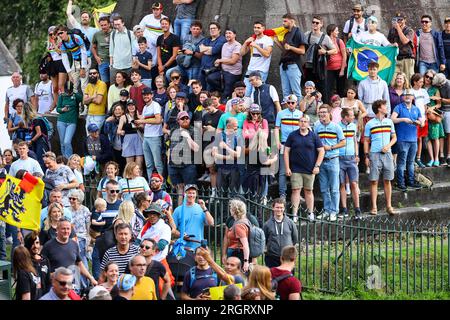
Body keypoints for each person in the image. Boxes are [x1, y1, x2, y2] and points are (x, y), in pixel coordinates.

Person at [284, 114, 325, 222]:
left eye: (305, 121)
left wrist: (317, 165)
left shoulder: (313, 136)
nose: (303, 123)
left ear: (308, 123)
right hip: (295, 168)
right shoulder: (292, 135)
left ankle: (310, 213)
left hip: (310, 169)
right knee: (295, 190)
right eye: (301, 121)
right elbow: (286, 151)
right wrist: (287, 167)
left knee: (309, 191)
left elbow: (321, 150)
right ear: (298, 123)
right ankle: (295, 214)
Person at [364, 100, 399, 215]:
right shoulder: (369, 124)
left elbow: (394, 137)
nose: (386, 107)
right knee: (374, 181)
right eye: (384, 106)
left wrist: (388, 146)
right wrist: (366, 156)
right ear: (379, 108)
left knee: (387, 180)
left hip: (387, 154)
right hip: (374, 154)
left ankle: (389, 206)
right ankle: (374, 207)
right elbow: (366, 141)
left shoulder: (389, 122)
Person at [41, 218, 97, 287]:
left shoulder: (74, 244)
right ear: (57, 230)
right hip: (55, 286)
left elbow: (79, 264)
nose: (66, 231)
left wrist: (91, 278)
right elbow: (42, 268)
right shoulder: (48, 246)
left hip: (71, 285)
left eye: (68, 229)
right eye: (63, 229)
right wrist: (53, 275)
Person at [314, 104, 345, 221]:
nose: (322, 114)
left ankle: (334, 211)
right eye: (320, 112)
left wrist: (331, 147)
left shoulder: (336, 127)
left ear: (329, 114)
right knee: (323, 188)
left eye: (324, 112)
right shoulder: (317, 127)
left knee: (334, 188)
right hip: (321, 161)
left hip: (333, 159)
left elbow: (343, 142)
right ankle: (327, 210)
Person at [391, 89, 424, 191]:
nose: (407, 96)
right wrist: (403, 119)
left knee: (410, 162)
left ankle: (410, 181)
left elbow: (422, 123)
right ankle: (401, 183)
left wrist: (418, 123)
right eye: (405, 95)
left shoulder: (416, 108)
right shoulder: (398, 107)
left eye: (410, 95)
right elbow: (392, 119)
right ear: (403, 97)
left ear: (413, 97)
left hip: (413, 139)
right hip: (402, 139)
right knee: (401, 162)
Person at [274, 13, 306, 102]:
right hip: (284, 65)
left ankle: (300, 113)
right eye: (283, 21)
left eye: (285, 21)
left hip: (293, 65)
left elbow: (303, 51)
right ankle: (286, 114)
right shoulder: (287, 34)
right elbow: (285, 50)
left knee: (296, 92)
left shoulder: (298, 33)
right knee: (285, 92)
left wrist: (291, 47)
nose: (283, 23)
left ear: (292, 21)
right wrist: (277, 42)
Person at [168, 111, 200, 200]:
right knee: (179, 190)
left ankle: (192, 211)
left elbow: (197, 149)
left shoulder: (194, 130)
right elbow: (170, 147)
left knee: (190, 190)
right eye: (182, 118)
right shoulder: (174, 130)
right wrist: (168, 163)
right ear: (178, 120)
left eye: (187, 118)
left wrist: (187, 137)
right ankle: (180, 211)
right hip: (173, 165)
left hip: (188, 165)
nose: (185, 120)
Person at [275, 94, 302, 198]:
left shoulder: (300, 114)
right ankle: (282, 193)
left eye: (293, 103)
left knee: (296, 169)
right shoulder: (281, 113)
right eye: (288, 103)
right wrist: (277, 142)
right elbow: (277, 128)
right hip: (284, 142)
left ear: (296, 103)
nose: (290, 104)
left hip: (297, 144)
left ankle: (297, 193)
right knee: (282, 170)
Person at [172, 184, 214, 251]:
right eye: (189, 193)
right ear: (184, 194)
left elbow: (211, 223)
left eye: (193, 193)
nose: (191, 195)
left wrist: (204, 208)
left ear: (196, 194)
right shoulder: (178, 210)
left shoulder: (201, 208)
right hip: (183, 247)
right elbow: (172, 229)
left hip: (198, 247)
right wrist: (181, 235)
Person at [304, 16, 337, 95]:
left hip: (320, 67)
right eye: (313, 22)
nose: (315, 24)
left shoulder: (325, 37)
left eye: (317, 23)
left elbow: (335, 50)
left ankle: (323, 105)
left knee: (322, 88)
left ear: (321, 24)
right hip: (308, 66)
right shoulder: (307, 34)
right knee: (309, 88)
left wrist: (325, 52)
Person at [135, 87, 164, 177]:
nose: (146, 96)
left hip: (155, 137)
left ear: (152, 95)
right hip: (146, 136)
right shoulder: (145, 107)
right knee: (148, 164)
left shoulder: (155, 105)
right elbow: (144, 124)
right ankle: (151, 183)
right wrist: (137, 124)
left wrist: (142, 121)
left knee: (158, 163)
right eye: (144, 95)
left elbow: (158, 120)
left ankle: (161, 184)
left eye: (147, 94)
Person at [338, 108, 362, 219]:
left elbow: (354, 141)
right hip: (340, 158)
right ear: (345, 117)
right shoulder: (337, 126)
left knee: (354, 183)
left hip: (352, 157)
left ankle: (357, 209)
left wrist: (357, 155)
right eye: (351, 115)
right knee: (342, 184)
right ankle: (344, 209)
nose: (353, 117)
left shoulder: (353, 126)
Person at [241, 21, 273, 97]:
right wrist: (246, 43)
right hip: (250, 69)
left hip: (261, 70)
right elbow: (242, 53)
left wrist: (256, 46)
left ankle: (256, 108)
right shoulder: (253, 39)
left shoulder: (267, 39)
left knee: (256, 93)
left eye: (258, 27)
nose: (256, 29)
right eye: (255, 27)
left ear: (263, 28)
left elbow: (267, 54)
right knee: (246, 93)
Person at [263, 198, 298, 268]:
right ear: (273, 208)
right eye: (277, 207)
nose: (279, 210)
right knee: (273, 278)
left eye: (281, 207)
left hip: (287, 258)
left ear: (284, 208)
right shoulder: (267, 224)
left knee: (287, 278)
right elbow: (265, 239)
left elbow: (295, 239)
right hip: (272, 258)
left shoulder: (290, 223)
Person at [213, 117, 244, 196]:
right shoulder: (219, 136)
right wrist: (227, 157)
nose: (237, 128)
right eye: (235, 126)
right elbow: (214, 154)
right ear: (228, 126)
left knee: (233, 194)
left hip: (234, 169)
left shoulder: (238, 137)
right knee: (221, 193)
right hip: (221, 168)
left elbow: (237, 154)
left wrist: (226, 147)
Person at [211, 29, 242, 101]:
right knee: (210, 79)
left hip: (233, 73)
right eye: (226, 33)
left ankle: (224, 101)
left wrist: (220, 60)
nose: (227, 35)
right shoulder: (225, 44)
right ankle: (222, 90)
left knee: (226, 94)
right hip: (223, 71)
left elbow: (233, 61)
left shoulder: (237, 45)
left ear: (234, 35)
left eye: (230, 33)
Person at [57, 25, 88, 94]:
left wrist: (83, 67)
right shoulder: (62, 44)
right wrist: (69, 73)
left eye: (61, 33)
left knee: (84, 86)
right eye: (58, 34)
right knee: (73, 85)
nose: (60, 35)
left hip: (85, 60)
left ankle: (86, 104)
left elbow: (84, 52)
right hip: (75, 61)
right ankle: (75, 104)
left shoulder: (76, 38)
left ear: (66, 32)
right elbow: (64, 59)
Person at [222, 199, 251, 272]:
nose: (230, 210)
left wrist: (246, 262)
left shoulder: (239, 225)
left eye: (231, 208)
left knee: (236, 279)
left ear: (235, 210)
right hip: (236, 253)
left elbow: (245, 245)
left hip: (237, 254)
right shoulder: (243, 221)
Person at [56, 82, 82, 158]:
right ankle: (64, 159)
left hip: (72, 122)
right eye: (67, 91)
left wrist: (75, 93)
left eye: (69, 91)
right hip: (61, 121)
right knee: (62, 142)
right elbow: (58, 109)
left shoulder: (75, 96)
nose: (68, 93)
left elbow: (83, 99)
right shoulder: (62, 96)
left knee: (67, 141)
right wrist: (62, 109)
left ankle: (69, 159)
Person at [387, 12, 416, 82]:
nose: (399, 21)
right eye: (397, 19)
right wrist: (392, 44)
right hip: (396, 59)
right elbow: (387, 43)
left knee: (408, 80)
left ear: (405, 20)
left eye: (401, 19)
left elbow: (405, 41)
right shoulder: (392, 30)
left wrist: (398, 28)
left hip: (407, 59)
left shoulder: (409, 30)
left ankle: (408, 93)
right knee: (393, 80)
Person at [117, 99, 145, 171]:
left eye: (132, 105)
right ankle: (129, 179)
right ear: (127, 107)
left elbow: (144, 127)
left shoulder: (140, 116)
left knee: (139, 164)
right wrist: (122, 132)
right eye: (129, 105)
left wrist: (139, 125)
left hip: (138, 138)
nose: (131, 107)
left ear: (135, 106)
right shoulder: (124, 117)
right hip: (128, 139)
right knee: (130, 165)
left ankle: (138, 179)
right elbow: (118, 130)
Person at [423, 69, 444, 166]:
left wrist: (431, 108)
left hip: (433, 116)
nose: (428, 79)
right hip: (424, 116)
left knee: (435, 137)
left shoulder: (435, 89)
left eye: (430, 78)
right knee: (427, 138)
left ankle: (436, 159)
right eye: (426, 76)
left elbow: (439, 104)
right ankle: (431, 159)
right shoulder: (421, 87)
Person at [409, 74, 430, 168]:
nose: (422, 83)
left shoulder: (424, 91)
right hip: (414, 119)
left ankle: (418, 158)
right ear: (415, 82)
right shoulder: (410, 91)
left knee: (420, 139)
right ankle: (411, 159)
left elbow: (425, 106)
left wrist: (425, 117)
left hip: (423, 119)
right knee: (414, 139)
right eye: (420, 81)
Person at [199, 22, 227, 90]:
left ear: (219, 30)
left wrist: (206, 49)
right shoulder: (207, 39)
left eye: (214, 28)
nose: (212, 30)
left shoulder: (222, 39)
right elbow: (200, 49)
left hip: (213, 70)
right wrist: (210, 48)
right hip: (203, 68)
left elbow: (215, 50)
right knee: (201, 89)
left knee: (209, 90)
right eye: (210, 28)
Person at [23, 102, 49, 170]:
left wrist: (31, 141)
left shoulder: (36, 119)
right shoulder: (33, 120)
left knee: (42, 160)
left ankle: (43, 178)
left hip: (41, 142)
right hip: (37, 142)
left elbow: (39, 133)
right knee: (37, 160)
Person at [23, 232, 51, 296]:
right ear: (27, 245)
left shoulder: (45, 260)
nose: (35, 246)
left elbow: (48, 282)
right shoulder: (25, 262)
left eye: (37, 243)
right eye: (32, 243)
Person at [46, 26, 68, 107]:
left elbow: (60, 52)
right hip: (53, 64)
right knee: (54, 87)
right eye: (50, 34)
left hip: (61, 63)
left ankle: (63, 104)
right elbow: (50, 53)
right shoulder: (49, 42)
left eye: (54, 34)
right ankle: (56, 104)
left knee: (60, 85)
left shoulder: (61, 41)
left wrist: (54, 43)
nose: (52, 36)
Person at [325, 24, 347, 102]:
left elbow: (344, 56)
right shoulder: (325, 40)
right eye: (336, 31)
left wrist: (342, 70)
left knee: (340, 88)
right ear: (331, 32)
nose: (338, 32)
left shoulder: (339, 41)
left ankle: (340, 104)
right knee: (328, 88)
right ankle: (329, 104)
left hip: (339, 68)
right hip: (329, 69)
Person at [432, 73, 450, 165]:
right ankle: (442, 155)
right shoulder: (438, 84)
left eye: (439, 85)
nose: (438, 87)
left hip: (448, 110)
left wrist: (440, 99)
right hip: (440, 110)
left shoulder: (448, 85)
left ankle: (448, 156)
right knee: (441, 134)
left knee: (448, 133)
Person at [110, 15, 134, 81]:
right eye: (115, 25)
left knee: (128, 86)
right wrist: (111, 64)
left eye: (118, 24)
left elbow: (134, 50)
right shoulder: (113, 34)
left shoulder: (131, 34)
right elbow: (111, 49)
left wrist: (133, 63)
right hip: (115, 66)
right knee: (114, 86)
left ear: (123, 23)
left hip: (128, 66)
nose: (117, 26)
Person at [157, 17, 181, 82]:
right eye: (162, 24)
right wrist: (160, 67)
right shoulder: (159, 38)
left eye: (166, 24)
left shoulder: (175, 38)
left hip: (171, 66)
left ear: (169, 25)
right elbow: (158, 55)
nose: (164, 25)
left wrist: (164, 67)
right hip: (161, 66)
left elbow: (174, 56)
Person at [92, 15, 113, 86]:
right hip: (102, 62)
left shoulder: (115, 33)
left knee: (114, 82)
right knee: (104, 83)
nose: (103, 27)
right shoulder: (97, 34)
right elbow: (93, 47)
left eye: (105, 25)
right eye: (102, 25)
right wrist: (96, 57)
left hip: (114, 62)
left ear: (109, 24)